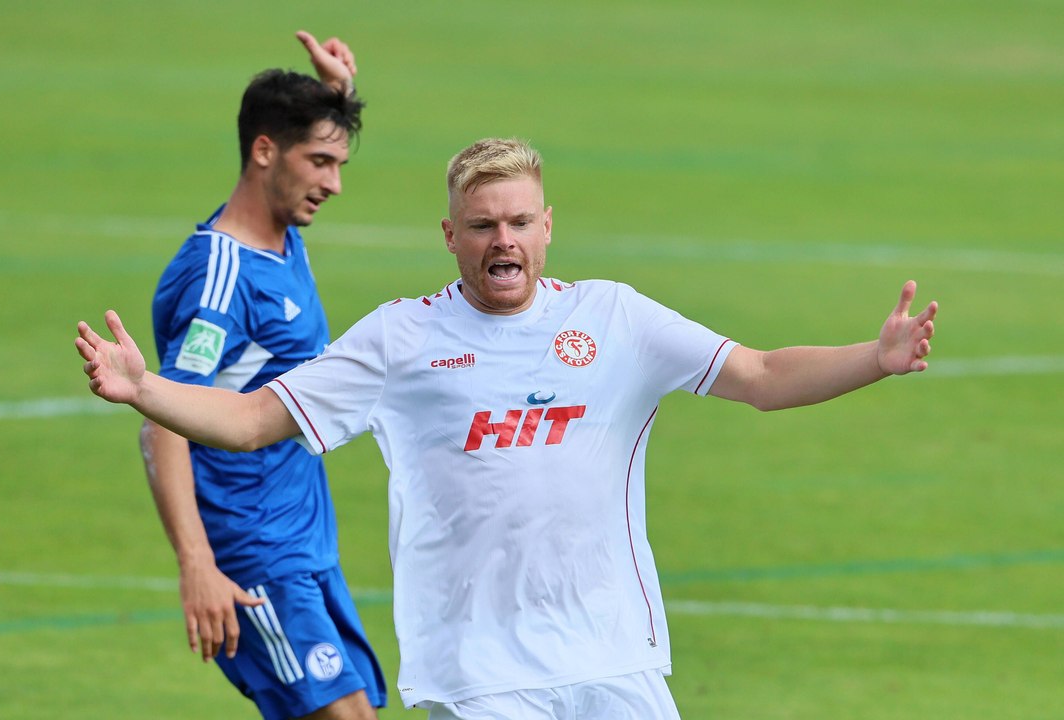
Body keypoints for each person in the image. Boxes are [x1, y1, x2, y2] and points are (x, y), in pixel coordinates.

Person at [78, 137, 937, 719]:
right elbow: (253, 419)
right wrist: (145, 388)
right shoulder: (400, 338)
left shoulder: (614, 319)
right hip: (479, 674)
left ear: (547, 227)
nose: (505, 241)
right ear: (451, 236)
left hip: (613, 658)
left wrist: (874, 356)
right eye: (484, 225)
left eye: (520, 222)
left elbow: (760, 376)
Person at [137, 30, 385, 720]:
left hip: (304, 537)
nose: (334, 183)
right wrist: (197, 565)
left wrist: (336, 93)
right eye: (321, 162)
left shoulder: (282, 232)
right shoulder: (218, 281)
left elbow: (300, 138)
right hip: (252, 551)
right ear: (264, 151)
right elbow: (160, 421)